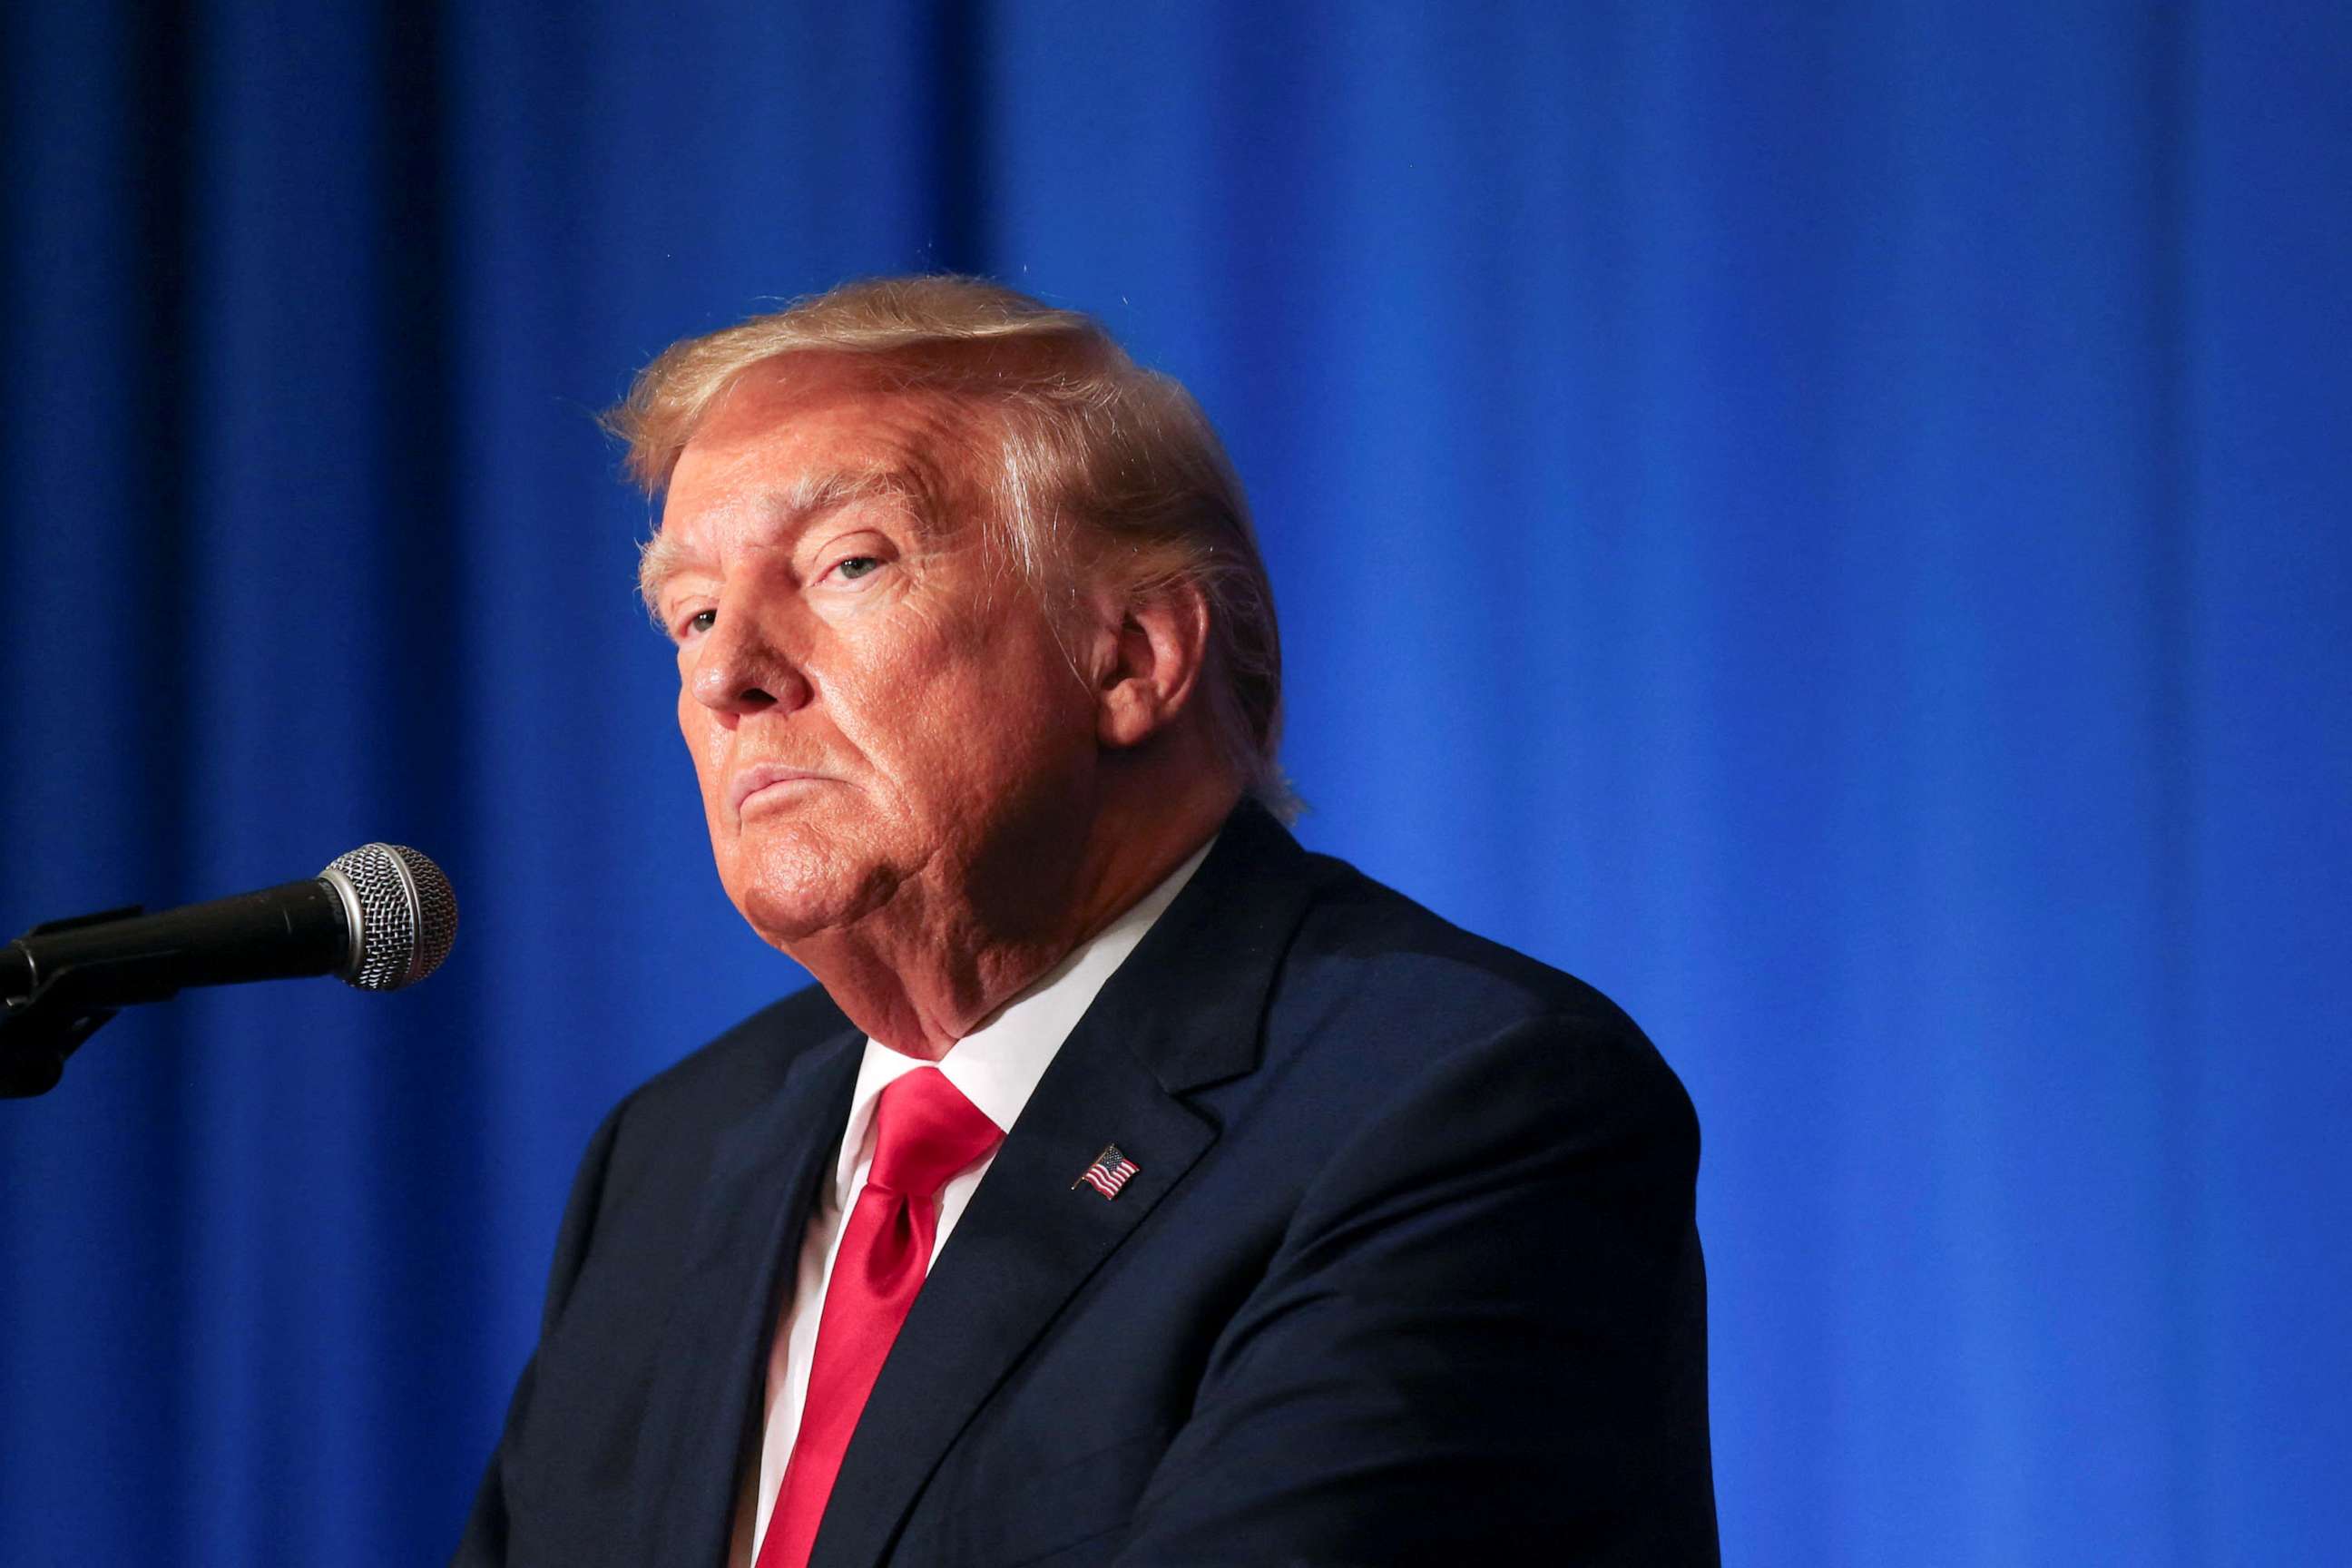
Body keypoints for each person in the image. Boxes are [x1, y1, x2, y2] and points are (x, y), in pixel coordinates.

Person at [453, 277, 1719, 1567]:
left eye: (848, 562)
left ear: (1131, 658)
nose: (727, 677)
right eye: (695, 615)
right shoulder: (671, 1158)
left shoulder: (1465, 1107)